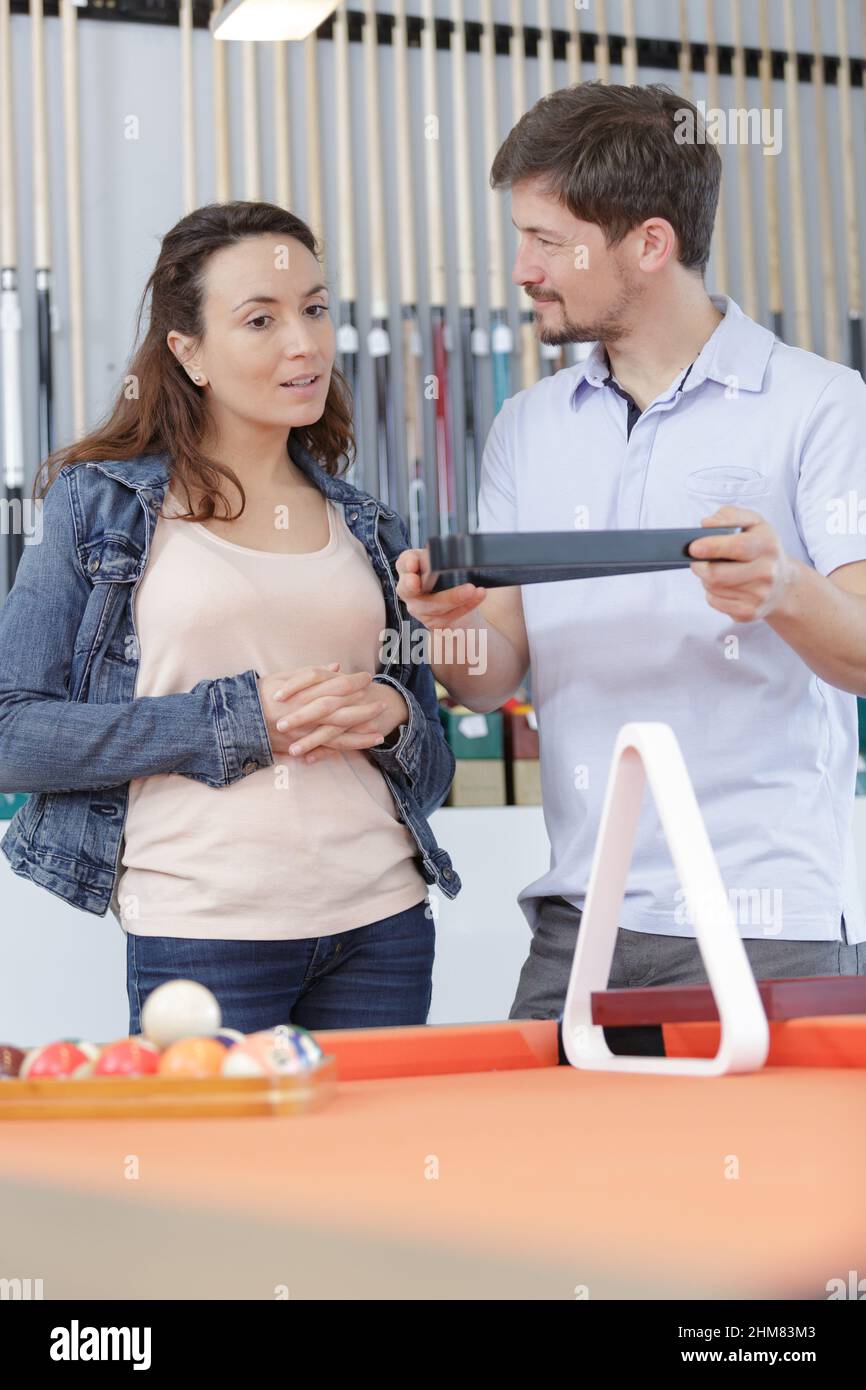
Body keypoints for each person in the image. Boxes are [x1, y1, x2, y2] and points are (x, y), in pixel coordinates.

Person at [397, 83, 866, 1054]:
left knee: (764, 1202)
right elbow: (487, 675)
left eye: (548, 240)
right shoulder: (530, 427)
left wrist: (784, 590)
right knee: (549, 1199)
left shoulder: (820, 407)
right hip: (582, 918)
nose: (522, 269)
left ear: (648, 243)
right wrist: (439, 618)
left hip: (759, 919)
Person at [0, 200, 460, 1034]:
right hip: (203, 932)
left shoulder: (371, 525)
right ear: (190, 352)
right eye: (261, 320)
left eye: (315, 309)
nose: (305, 344)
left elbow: (431, 776)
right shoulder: (101, 504)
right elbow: (12, 733)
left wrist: (394, 720)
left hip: (384, 926)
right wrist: (234, 720)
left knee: (369, 1169)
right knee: (219, 1169)